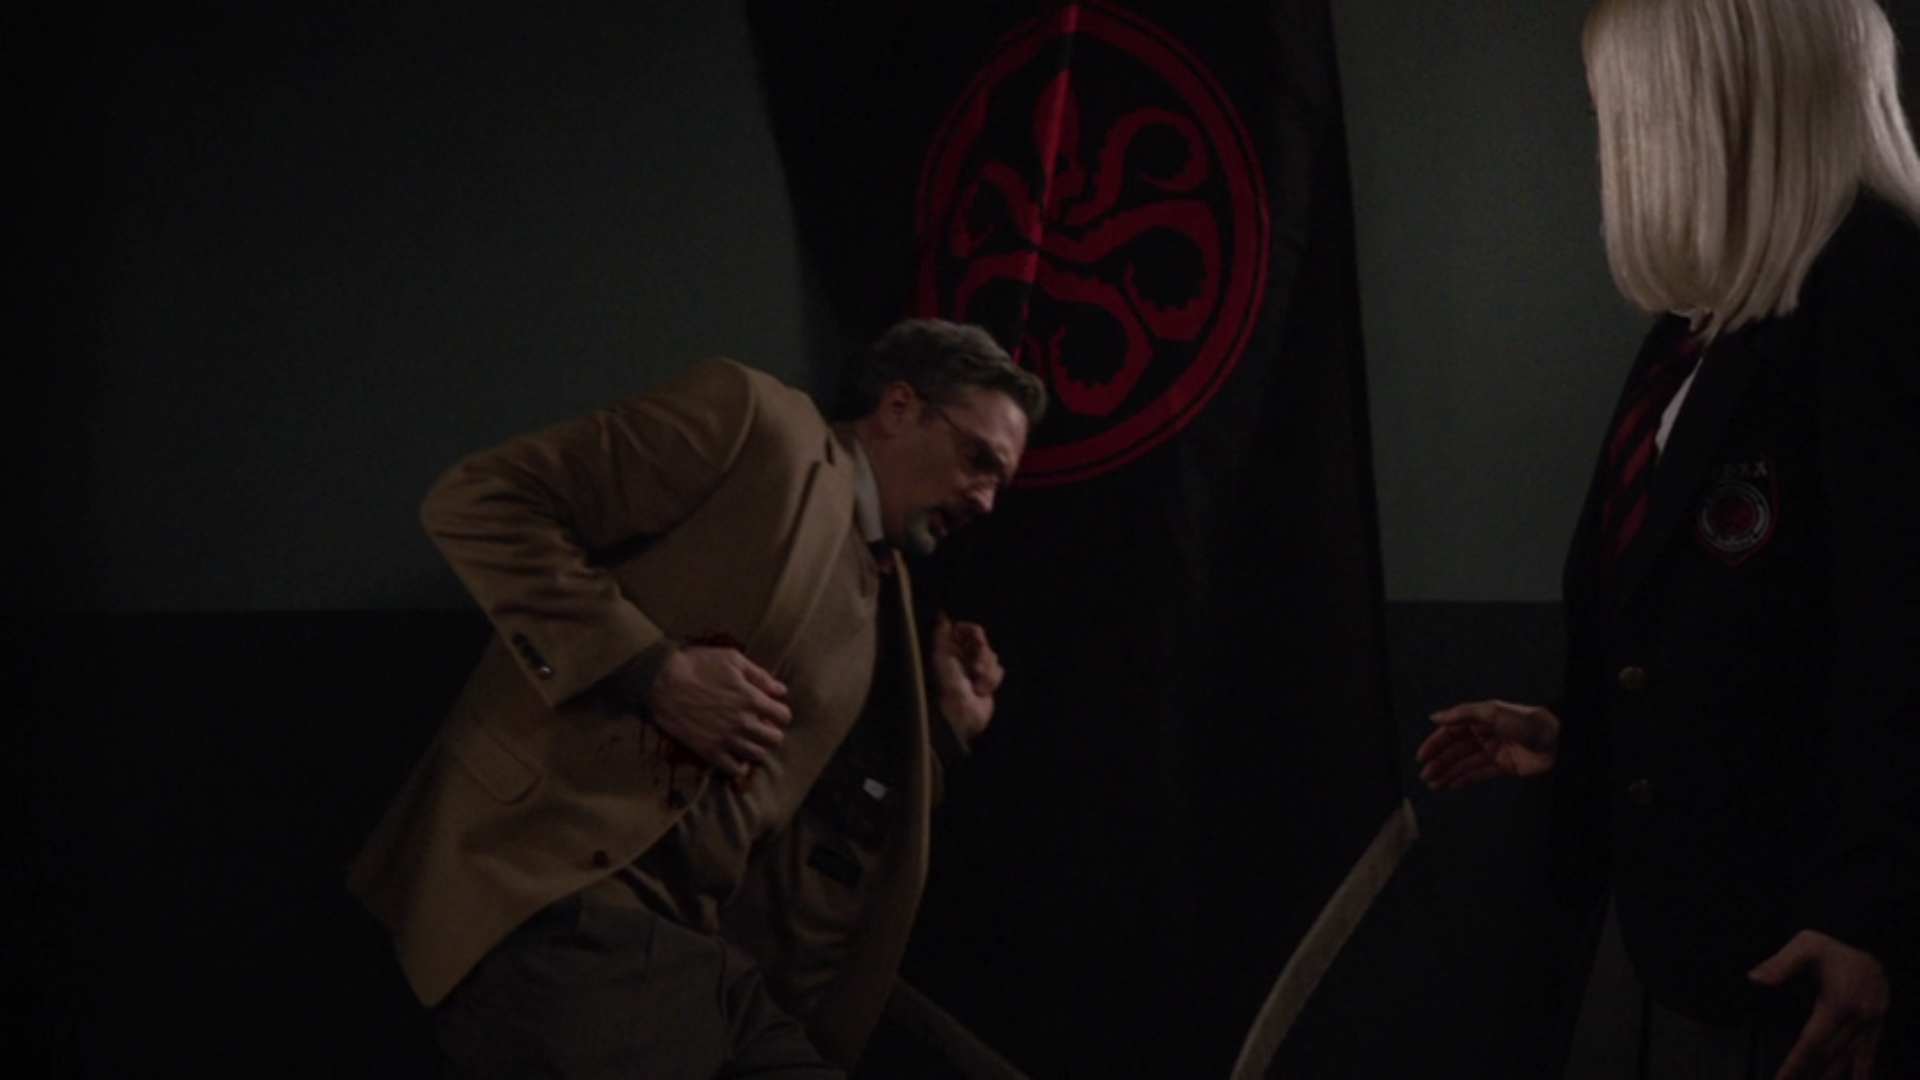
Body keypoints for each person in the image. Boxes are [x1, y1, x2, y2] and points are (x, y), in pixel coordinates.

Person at [1416, 0, 1920, 1076]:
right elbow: (1729, 622)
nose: (1615, 143)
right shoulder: (1704, 326)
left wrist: (1870, 912)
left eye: (1626, 109)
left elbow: (1902, 642)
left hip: (1812, 961)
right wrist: (1581, 733)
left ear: (1723, 107)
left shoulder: (1886, 294)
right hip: (1685, 931)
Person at [347, 318, 1047, 1076]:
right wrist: (653, 670)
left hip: (705, 955)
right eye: (980, 460)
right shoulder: (757, 420)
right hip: (558, 899)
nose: (986, 502)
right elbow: (483, 501)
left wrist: (939, 733)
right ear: (900, 407)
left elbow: (827, 826)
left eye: (999, 483)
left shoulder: (889, 597)